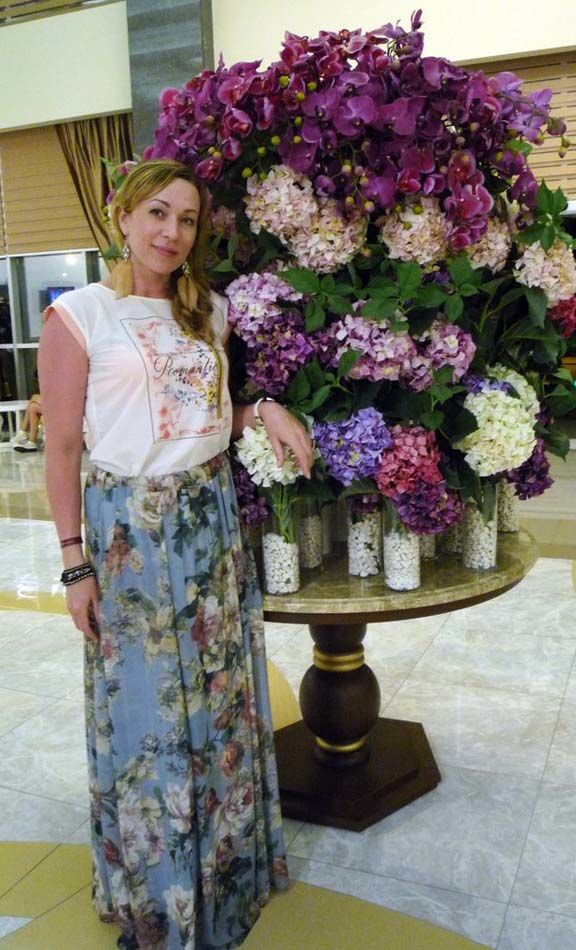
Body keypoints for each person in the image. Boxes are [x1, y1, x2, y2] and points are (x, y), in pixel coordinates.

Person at [38, 158, 313, 950]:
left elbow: (205, 417)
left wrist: (263, 409)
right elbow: (63, 449)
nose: (172, 232)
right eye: (157, 213)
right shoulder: (80, 316)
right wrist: (74, 562)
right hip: (129, 534)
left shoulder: (210, 313)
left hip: (209, 522)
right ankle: (161, 894)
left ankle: (225, 874)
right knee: (148, 713)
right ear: (123, 215)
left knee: (220, 701)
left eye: (187, 219)